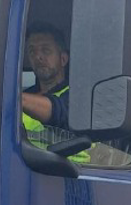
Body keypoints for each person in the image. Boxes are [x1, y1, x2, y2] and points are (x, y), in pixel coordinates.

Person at [21, 22, 88, 161]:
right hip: (26, 170)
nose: (38, 57)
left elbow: (60, 112)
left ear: (63, 59)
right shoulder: (25, 96)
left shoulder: (80, 95)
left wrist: (17, 99)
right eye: (32, 51)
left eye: (45, 50)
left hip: (70, 174)